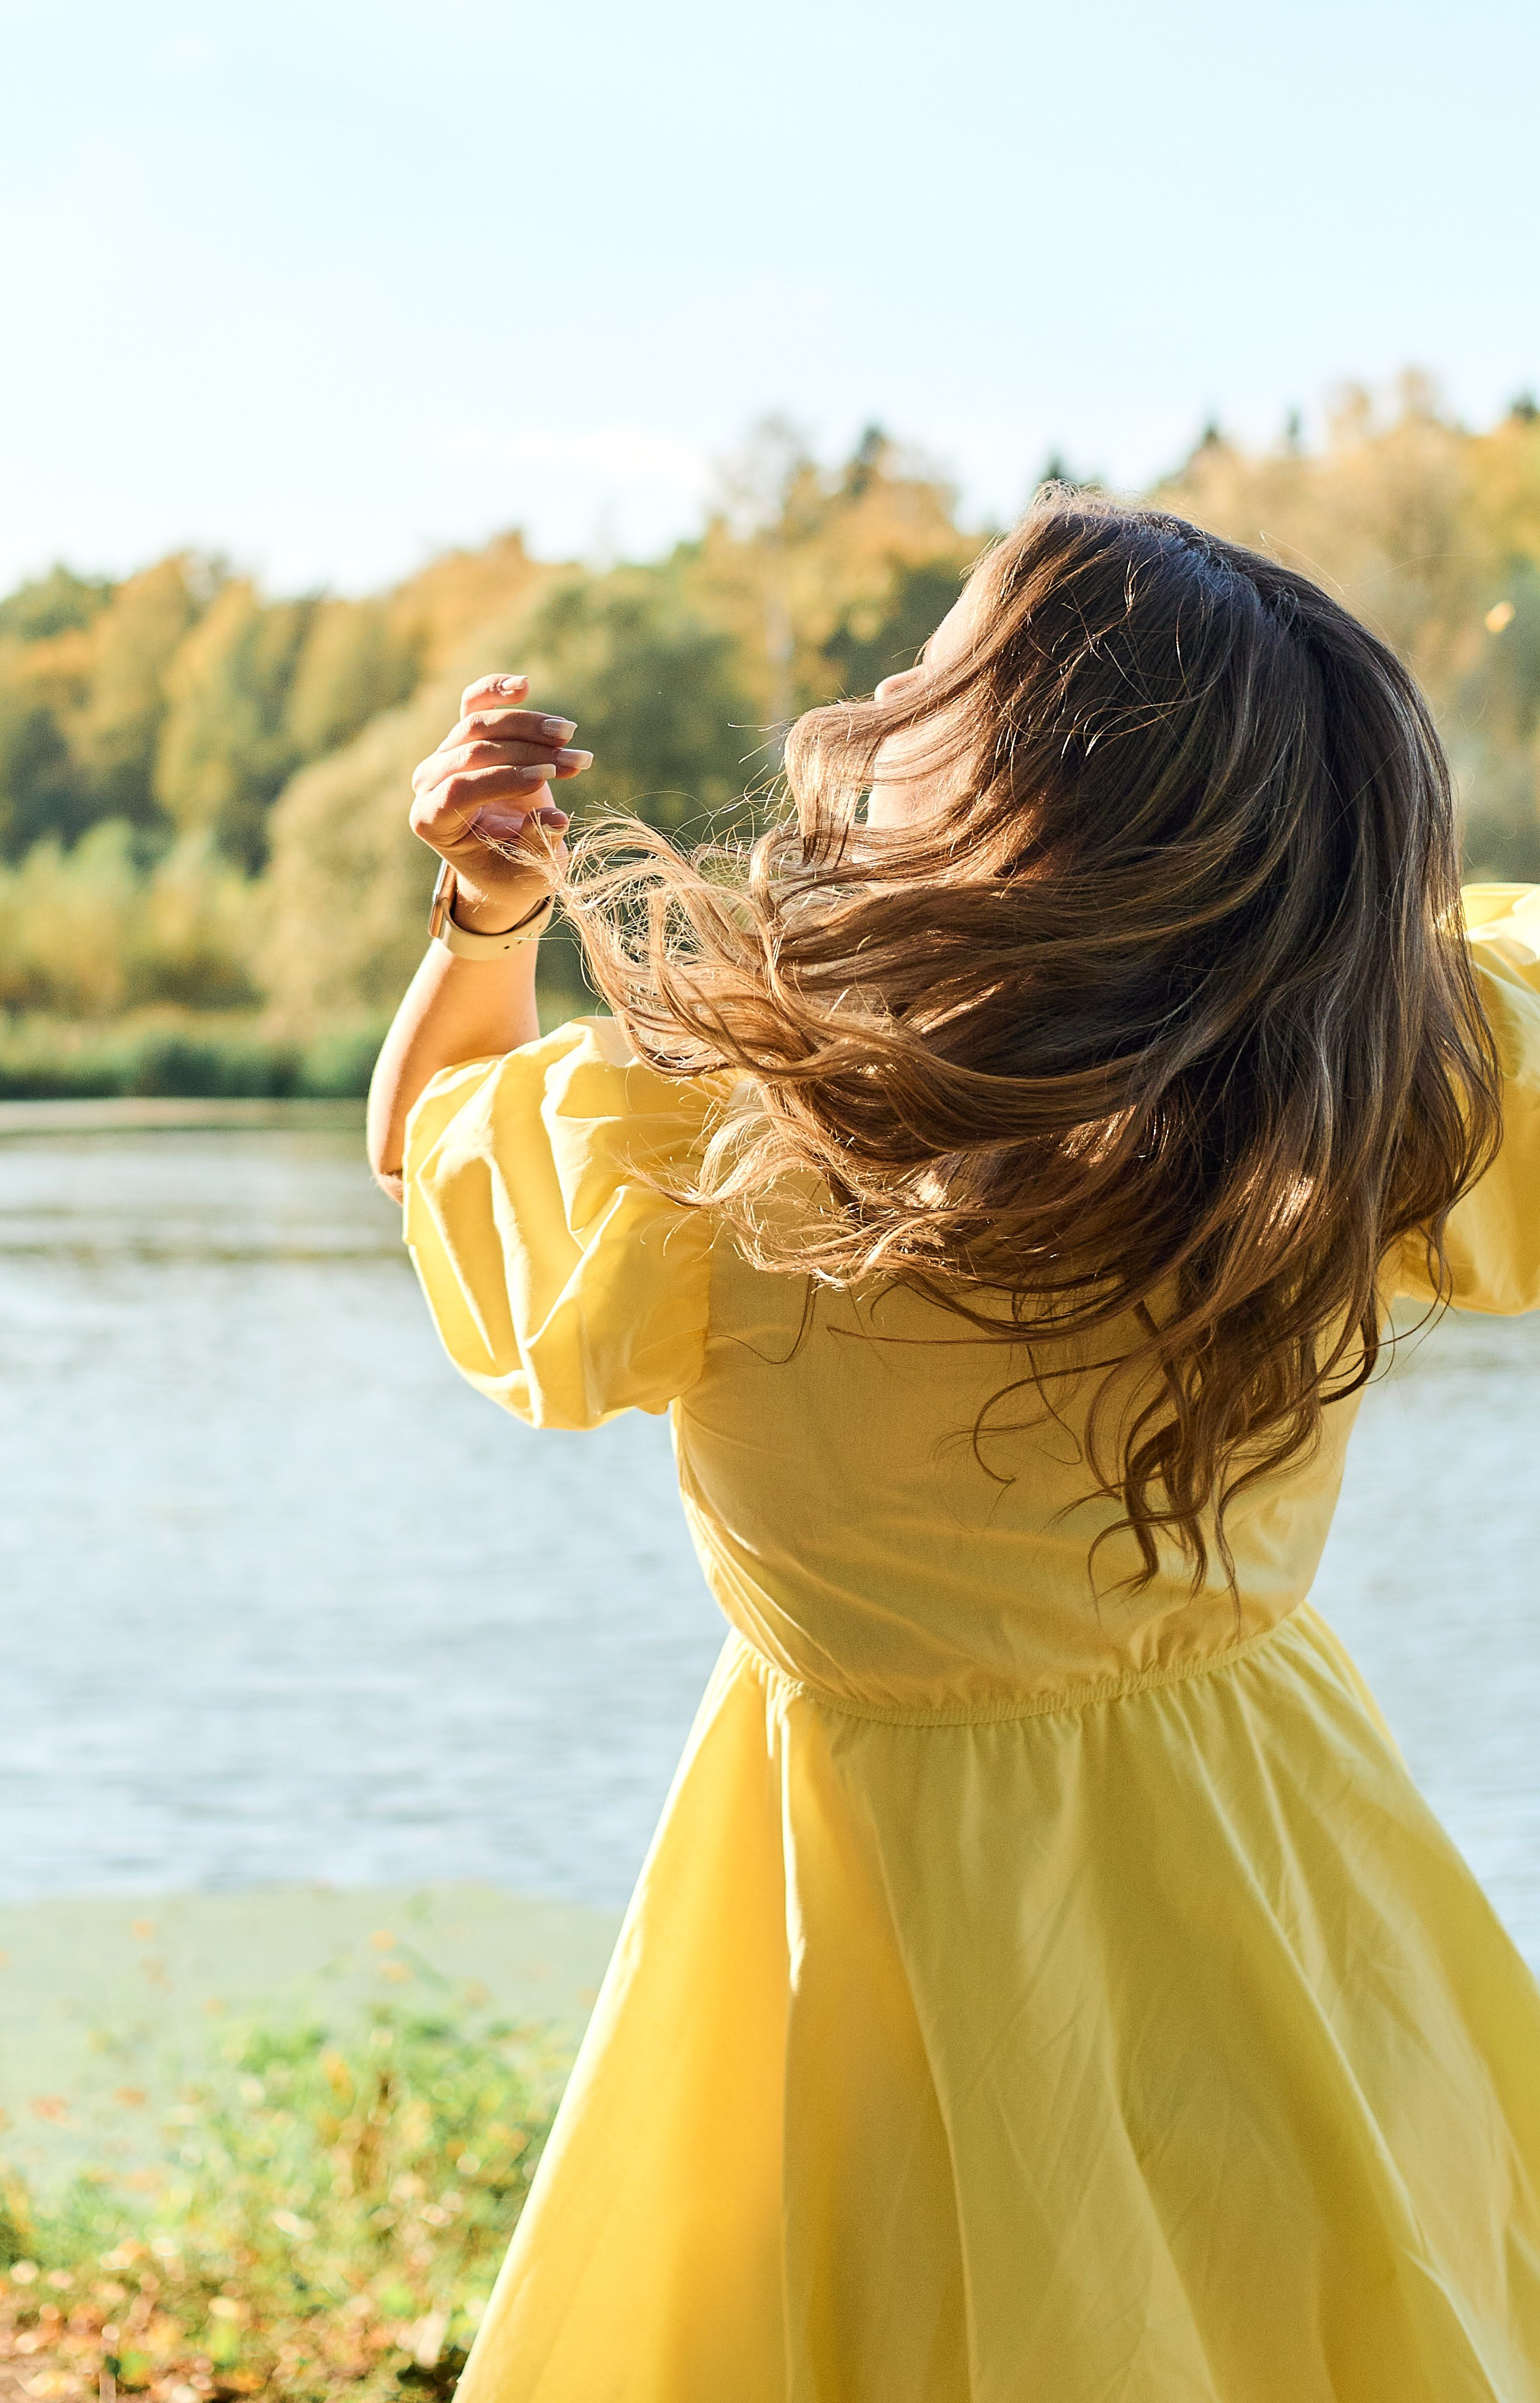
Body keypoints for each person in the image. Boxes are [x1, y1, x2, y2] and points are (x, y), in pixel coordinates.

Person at [367, 495, 1540, 2403]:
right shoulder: (1365, 1077)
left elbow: (435, 1153)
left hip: (860, 1876)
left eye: (939, 668)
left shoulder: (720, 1138)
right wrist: (1321, 911)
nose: (885, 682)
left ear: (1003, 787)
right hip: (1269, 1850)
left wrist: (486, 917)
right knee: (1306, 2308)